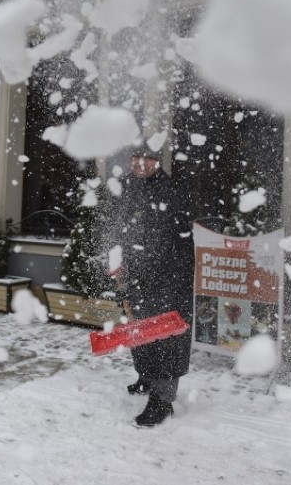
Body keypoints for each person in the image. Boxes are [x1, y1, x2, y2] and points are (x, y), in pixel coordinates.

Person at [109, 148, 194, 427]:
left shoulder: (167, 193)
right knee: (141, 331)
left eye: (146, 158)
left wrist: (135, 275)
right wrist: (117, 258)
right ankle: (147, 377)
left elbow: (160, 245)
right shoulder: (134, 189)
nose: (139, 163)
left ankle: (162, 402)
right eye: (135, 158)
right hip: (141, 278)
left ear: (158, 162)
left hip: (167, 280)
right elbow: (122, 229)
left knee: (164, 337)